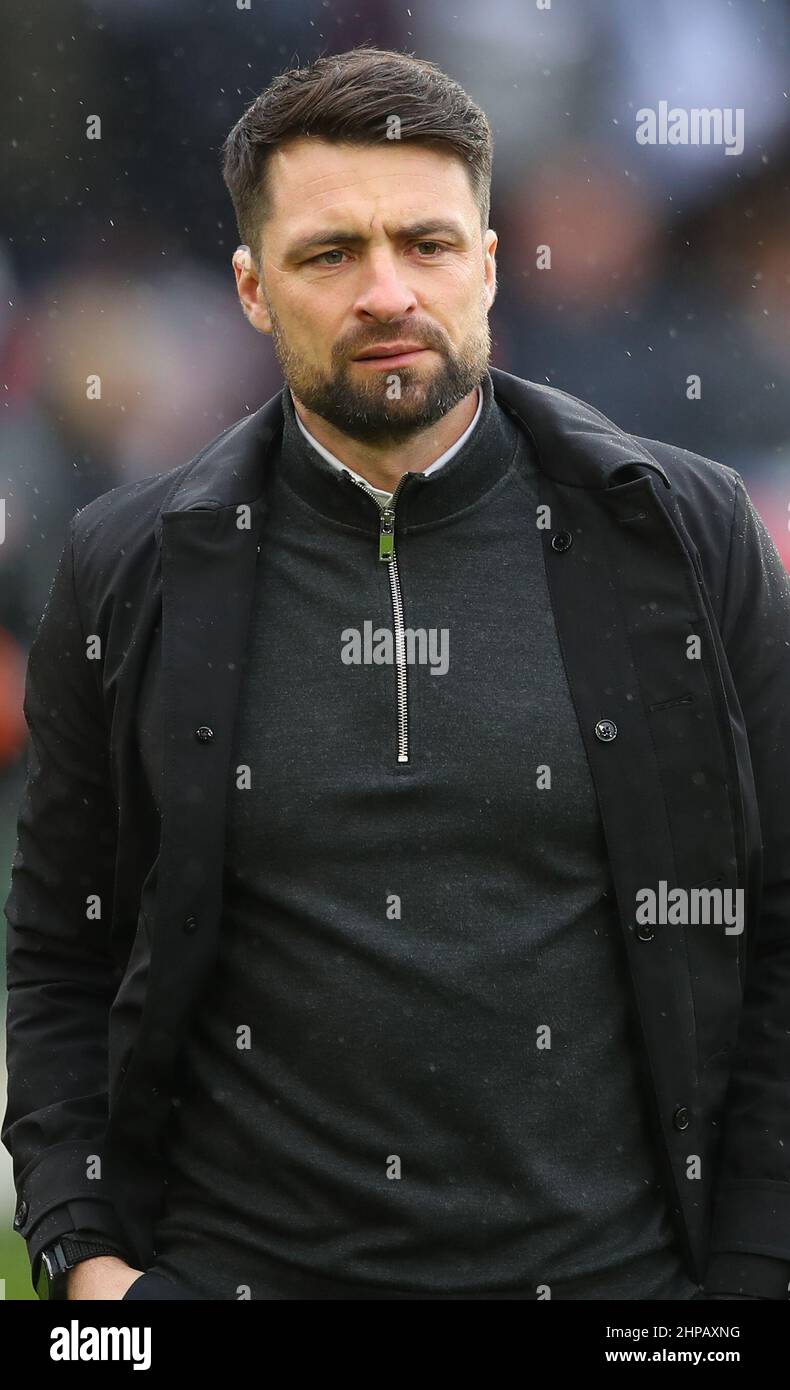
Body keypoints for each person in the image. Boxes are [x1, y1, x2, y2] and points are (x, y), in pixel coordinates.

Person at [4, 45, 790, 1302]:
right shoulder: (130, 563)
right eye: (330, 254)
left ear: (487, 264)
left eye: (425, 245)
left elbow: (775, 932)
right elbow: (58, 957)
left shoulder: (680, 534)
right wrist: (93, 1277)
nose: (386, 292)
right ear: (253, 291)